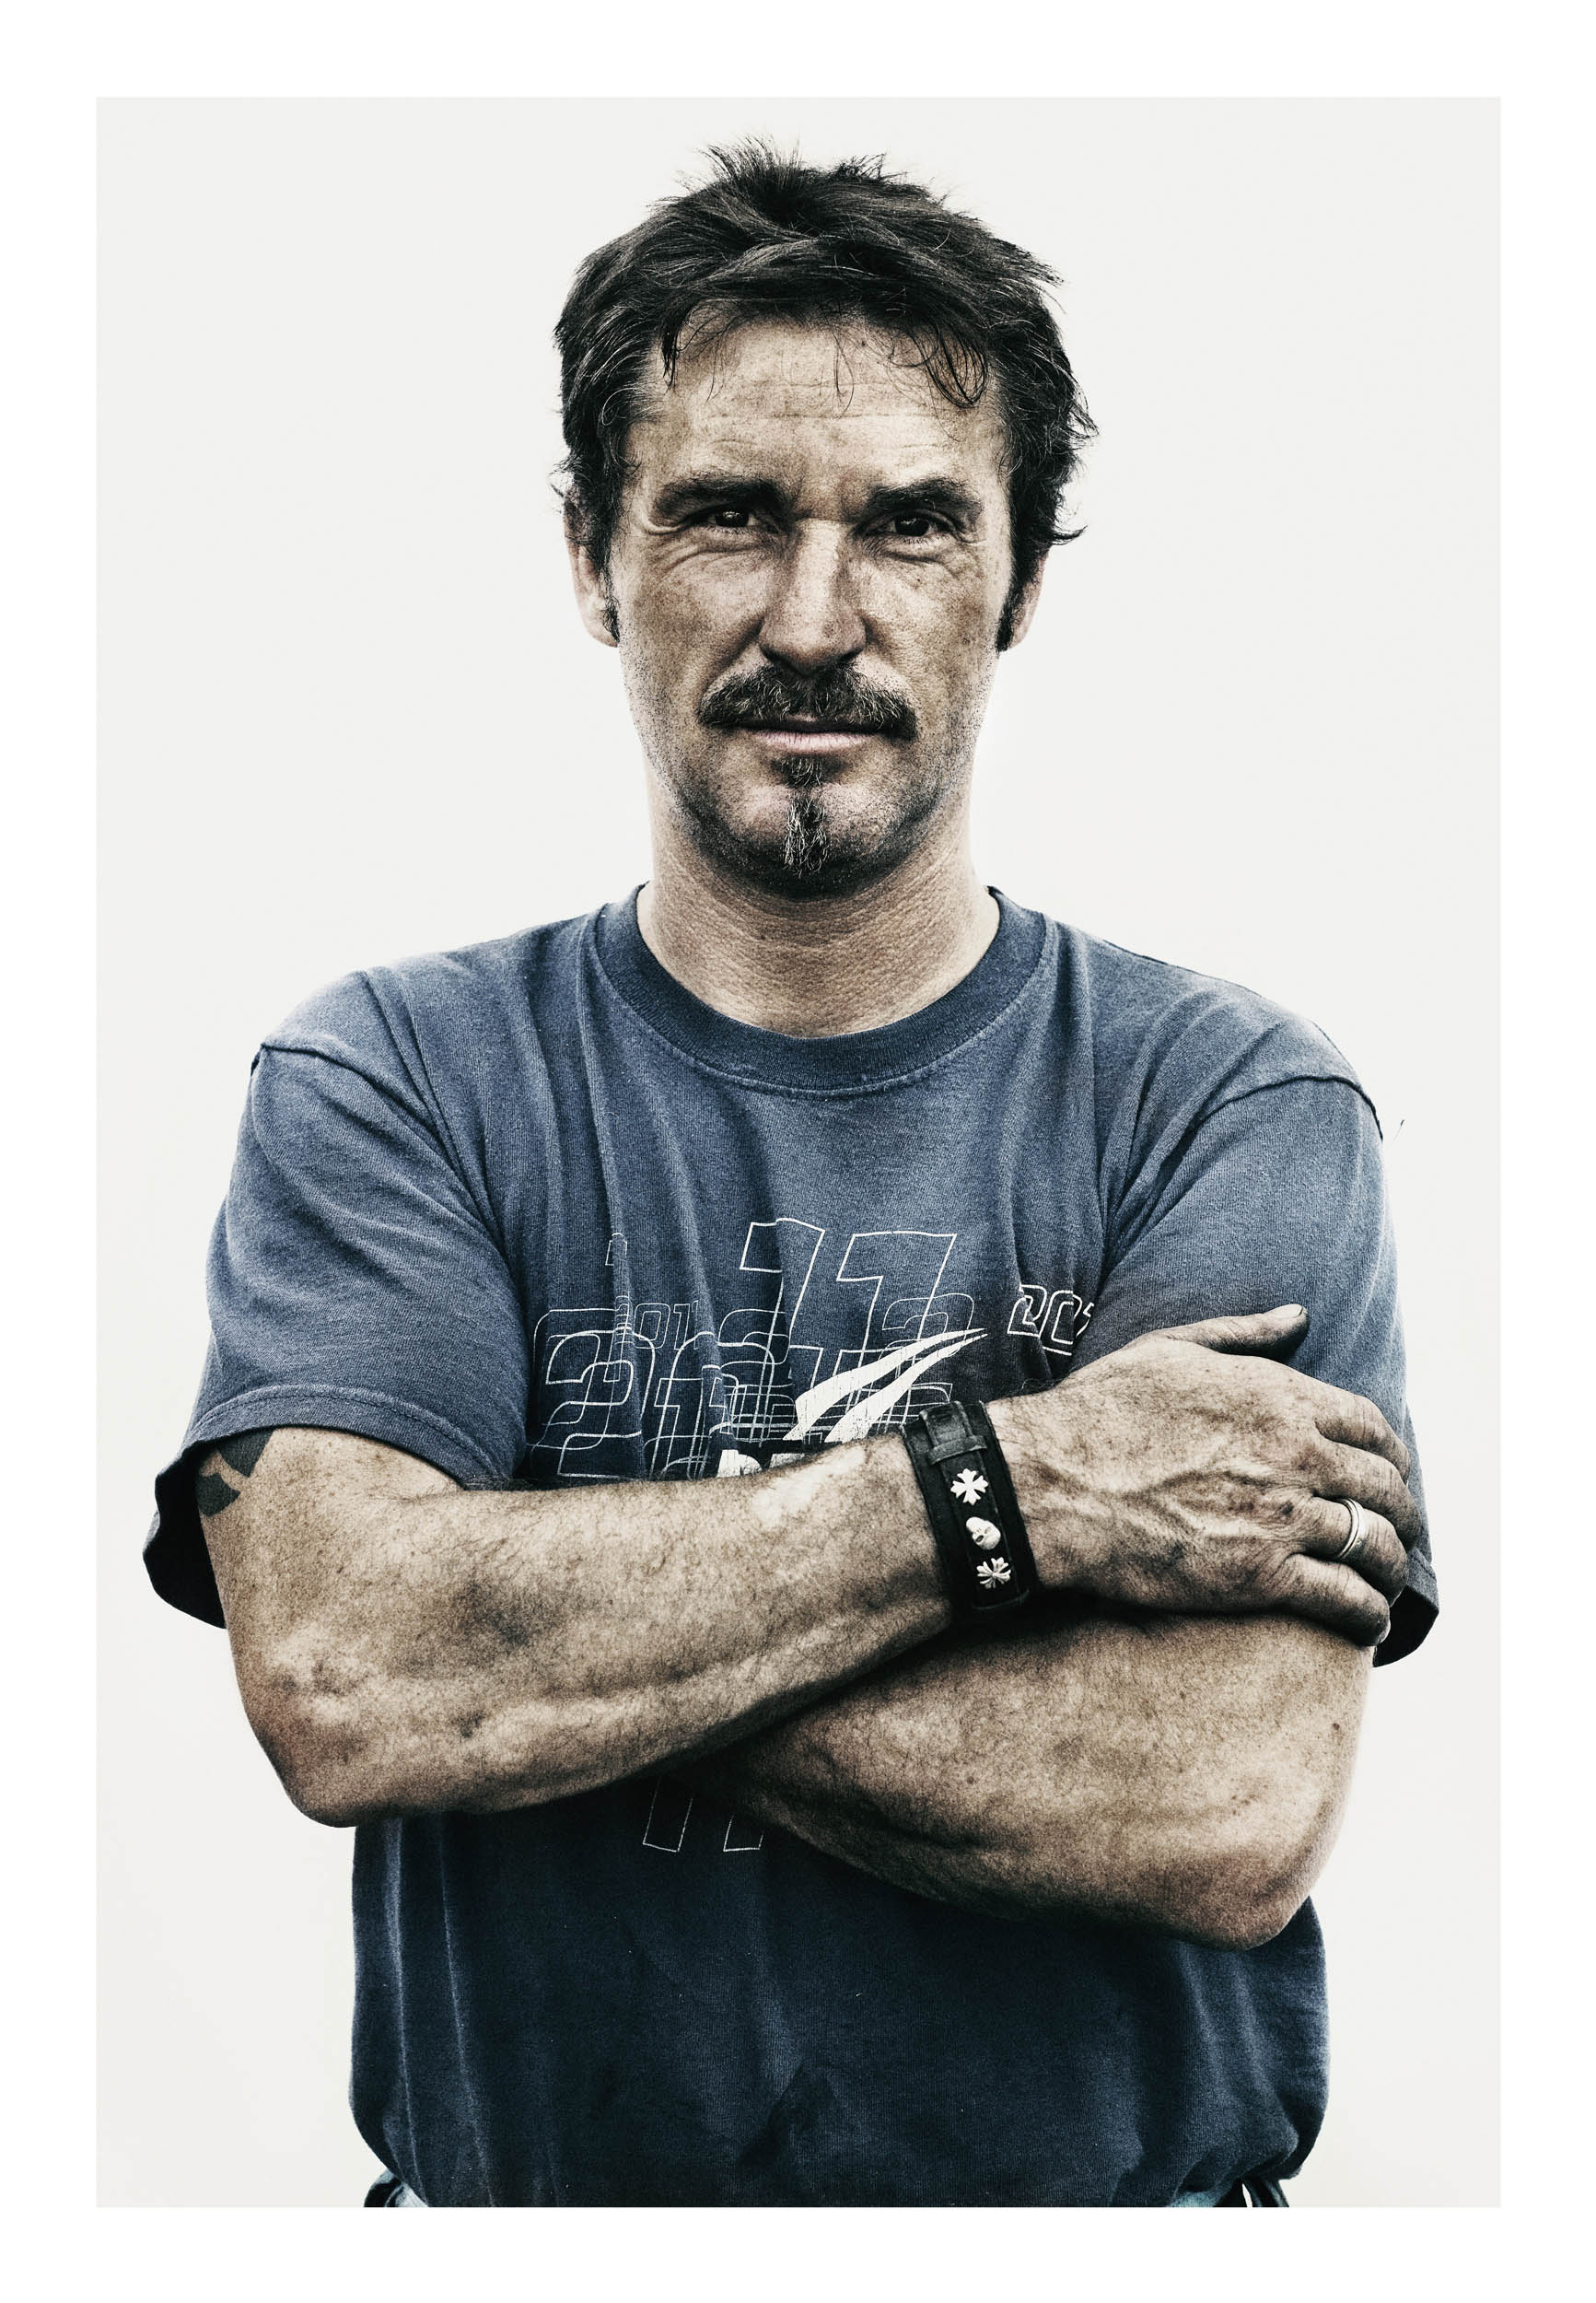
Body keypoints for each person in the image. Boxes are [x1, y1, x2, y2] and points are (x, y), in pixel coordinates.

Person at [145, 142, 1437, 2209]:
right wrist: (1021, 1491)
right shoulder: (395, 1080)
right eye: (728, 513)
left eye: (911, 524)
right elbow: (342, 1675)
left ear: (1018, 585)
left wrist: (529, 1629)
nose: (816, 620)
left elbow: (1216, 1798)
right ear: (593, 557)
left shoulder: (1227, 1101)